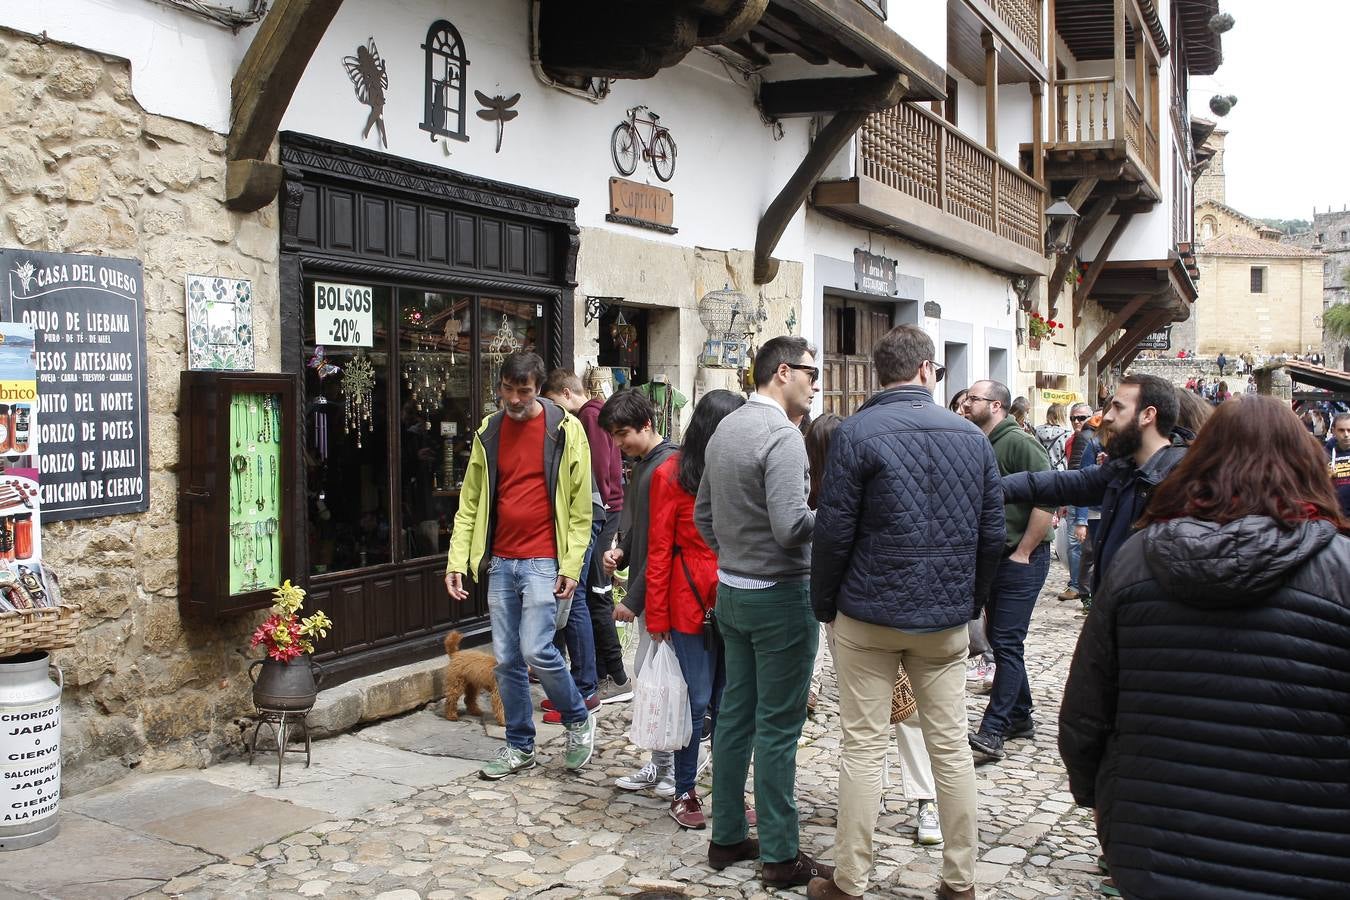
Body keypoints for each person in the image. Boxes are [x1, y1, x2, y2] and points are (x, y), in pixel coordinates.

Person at [1060, 395, 1350, 899]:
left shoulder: (1139, 559)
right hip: (1310, 845)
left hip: (1154, 834)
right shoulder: (1341, 570)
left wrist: (1097, 795)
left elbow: (1086, 704)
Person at [807, 325, 1004, 900]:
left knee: (863, 747)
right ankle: (959, 881)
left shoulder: (857, 433)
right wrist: (970, 605)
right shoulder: (970, 436)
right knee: (950, 746)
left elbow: (834, 532)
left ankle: (850, 881)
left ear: (879, 374)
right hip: (942, 617)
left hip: (867, 613)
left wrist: (826, 605)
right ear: (927, 370)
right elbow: (991, 534)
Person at [694, 335, 828, 889]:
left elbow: (704, 513)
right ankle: (779, 852)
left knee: (733, 719)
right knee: (777, 727)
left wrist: (731, 555)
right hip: (778, 596)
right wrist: (838, 515)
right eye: (810, 374)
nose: (815, 384)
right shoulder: (782, 436)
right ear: (781, 372)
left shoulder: (727, 426)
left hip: (733, 593)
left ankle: (726, 835)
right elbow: (792, 525)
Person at [444, 352, 596, 780]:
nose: (513, 399)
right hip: (502, 561)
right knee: (507, 659)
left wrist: (571, 564)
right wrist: (458, 558)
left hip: (545, 560)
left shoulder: (565, 431)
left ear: (538, 387)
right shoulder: (488, 432)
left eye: (523, 391)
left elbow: (580, 507)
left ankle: (578, 717)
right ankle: (519, 746)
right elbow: (470, 503)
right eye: (506, 390)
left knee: (536, 650)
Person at [645, 389, 745, 829]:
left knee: (731, 702)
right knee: (695, 699)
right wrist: (657, 617)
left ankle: (727, 792)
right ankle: (685, 790)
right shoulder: (671, 474)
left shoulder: (739, 469)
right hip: (688, 601)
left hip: (737, 595)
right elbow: (658, 549)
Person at [1002, 374, 1189, 599]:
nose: (1107, 417)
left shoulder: (1183, 481)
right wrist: (993, 487)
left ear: (1148, 415)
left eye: (1117, 408)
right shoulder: (1122, 470)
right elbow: (1063, 483)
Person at [962, 381, 1054, 763]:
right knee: (1001, 640)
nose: (966, 403)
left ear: (996, 405)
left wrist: (1025, 550)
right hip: (997, 558)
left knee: (1007, 643)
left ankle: (995, 729)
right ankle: (1019, 716)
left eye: (974, 398)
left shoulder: (1018, 442)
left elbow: (1048, 496)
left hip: (1022, 558)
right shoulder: (982, 441)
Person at [601, 389, 680, 798]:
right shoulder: (645, 465)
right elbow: (644, 530)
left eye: (623, 433)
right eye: (613, 436)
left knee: (664, 686)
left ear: (647, 425)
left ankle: (671, 772)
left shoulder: (667, 466)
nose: (618, 443)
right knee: (653, 683)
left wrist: (634, 600)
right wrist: (622, 549)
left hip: (665, 598)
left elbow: (666, 543)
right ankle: (661, 766)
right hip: (654, 594)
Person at [541, 370, 632, 705]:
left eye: (552, 403)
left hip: (599, 514)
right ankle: (602, 675)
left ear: (566, 393)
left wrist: (601, 519)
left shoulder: (589, 418)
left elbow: (592, 472)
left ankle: (613, 678)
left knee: (593, 595)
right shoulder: (595, 414)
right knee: (593, 596)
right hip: (605, 512)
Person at [805, 413, 844, 714]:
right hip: (838, 575)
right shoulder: (845, 481)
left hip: (807, 567)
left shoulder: (806, 481)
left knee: (815, 628)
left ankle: (810, 686)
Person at [1057, 402, 1094, 603]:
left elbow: (1079, 473)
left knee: (1077, 543)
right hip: (1075, 495)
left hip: (1082, 496)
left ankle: (1077, 585)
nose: (1077, 422)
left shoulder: (1085, 438)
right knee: (1076, 544)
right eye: (1073, 418)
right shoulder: (1073, 439)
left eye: (1081, 417)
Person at [1326, 411, 1350, 518]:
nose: (1346, 435)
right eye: (1341, 430)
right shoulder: (1323, 455)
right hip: (1336, 516)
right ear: (1333, 431)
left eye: (1349, 430)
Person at [1034, 403, 1069, 471]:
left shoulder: (1038, 432)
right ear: (1062, 416)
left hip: (1042, 471)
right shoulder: (1067, 433)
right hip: (1061, 471)